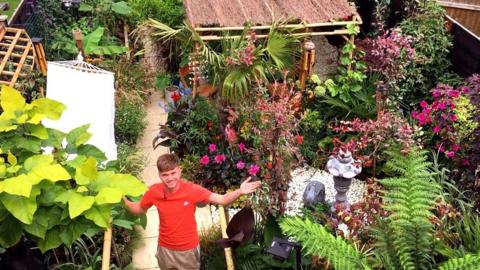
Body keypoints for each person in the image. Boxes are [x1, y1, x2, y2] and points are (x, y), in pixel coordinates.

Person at [123, 153, 261, 270]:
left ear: (180, 170)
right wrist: (121, 198)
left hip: (187, 250)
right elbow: (138, 209)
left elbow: (223, 199)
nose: (170, 178)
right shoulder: (154, 191)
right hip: (164, 248)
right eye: (165, 175)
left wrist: (240, 191)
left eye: (173, 173)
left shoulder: (192, 190)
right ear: (159, 175)